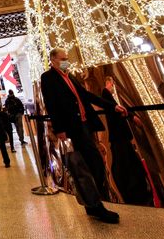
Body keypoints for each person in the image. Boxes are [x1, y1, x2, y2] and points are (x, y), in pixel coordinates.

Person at [40, 48, 127, 223]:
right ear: (53, 60)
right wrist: (60, 129)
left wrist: (111, 106)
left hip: (85, 124)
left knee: (94, 165)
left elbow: (86, 96)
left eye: (67, 58)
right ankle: (95, 205)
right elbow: (52, 104)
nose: (66, 61)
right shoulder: (48, 78)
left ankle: (92, 203)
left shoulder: (70, 77)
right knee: (85, 167)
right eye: (63, 59)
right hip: (72, 128)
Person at [102, 76, 152, 205]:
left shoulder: (114, 102)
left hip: (120, 137)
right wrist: (108, 87)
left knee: (127, 163)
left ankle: (135, 190)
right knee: (126, 163)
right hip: (119, 137)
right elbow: (108, 101)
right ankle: (134, 191)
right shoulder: (107, 97)